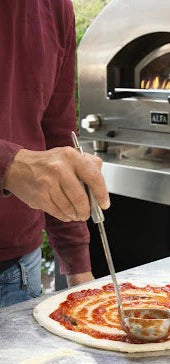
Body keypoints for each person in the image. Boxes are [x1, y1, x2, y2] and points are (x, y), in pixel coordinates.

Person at [0, 0, 110, 307]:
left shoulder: (56, 6)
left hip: (19, 269)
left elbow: (58, 134)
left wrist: (79, 269)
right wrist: (10, 165)